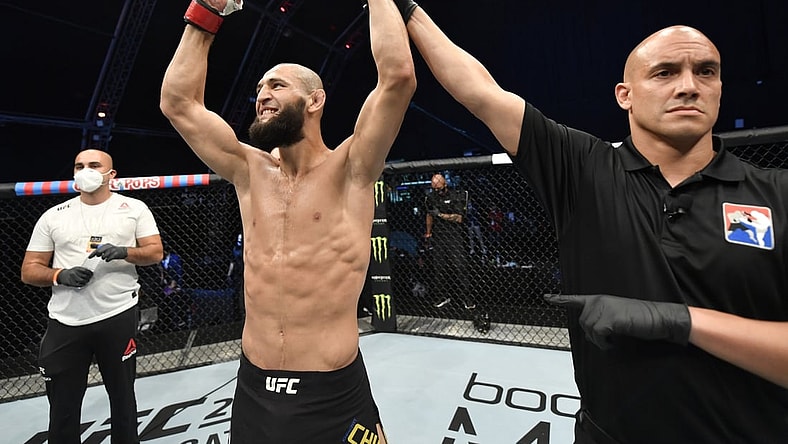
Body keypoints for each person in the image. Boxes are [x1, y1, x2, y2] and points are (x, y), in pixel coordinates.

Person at [394, 2, 788, 442]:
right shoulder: (583, 169)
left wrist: (682, 322)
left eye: (707, 72)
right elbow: (479, 90)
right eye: (665, 72)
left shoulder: (777, 194)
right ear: (626, 95)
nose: (688, 87)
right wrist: (407, 7)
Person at [160, 0, 415, 441]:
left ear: (315, 100)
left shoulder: (351, 168)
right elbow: (178, 103)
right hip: (254, 387)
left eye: (277, 85)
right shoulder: (247, 170)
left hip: (332, 392)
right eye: (260, 87)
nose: (262, 95)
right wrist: (207, 11)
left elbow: (397, 79)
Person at [20, 149, 163, 444]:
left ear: (111, 175)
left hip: (118, 315)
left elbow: (155, 253)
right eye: (79, 165)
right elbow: (29, 270)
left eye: (94, 165)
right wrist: (60, 275)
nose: (86, 169)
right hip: (66, 319)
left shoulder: (134, 208)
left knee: (123, 399)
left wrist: (125, 252)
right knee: (63, 407)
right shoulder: (54, 216)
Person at [424, 173, 489, 333]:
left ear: (445, 185)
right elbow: (428, 215)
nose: (437, 191)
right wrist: (428, 232)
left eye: (439, 188)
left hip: (455, 236)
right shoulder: (431, 197)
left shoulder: (457, 195)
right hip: (439, 237)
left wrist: (440, 215)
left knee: (461, 268)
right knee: (439, 269)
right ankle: (442, 297)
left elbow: (459, 218)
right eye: (435, 189)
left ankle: (468, 300)